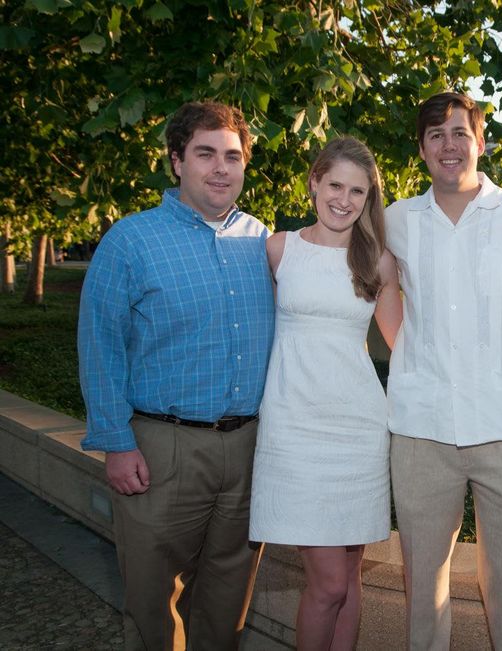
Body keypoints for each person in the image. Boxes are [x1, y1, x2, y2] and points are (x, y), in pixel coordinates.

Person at [78, 101, 275, 650]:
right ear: (176, 162)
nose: (220, 168)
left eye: (232, 156)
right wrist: (116, 444)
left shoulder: (263, 241)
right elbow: (99, 348)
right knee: (151, 597)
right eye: (205, 153)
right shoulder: (131, 240)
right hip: (161, 447)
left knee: (228, 590)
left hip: (248, 445)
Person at [384, 91, 502, 650]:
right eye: (436, 135)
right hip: (421, 427)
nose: (449, 145)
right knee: (423, 584)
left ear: (481, 141)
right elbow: (382, 287)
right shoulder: (395, 219)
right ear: (421, 150)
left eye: (460, 132)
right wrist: (410, 352)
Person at [248, 138, 402, 650]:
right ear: (314, 181)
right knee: (328, 583)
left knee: (349, 578)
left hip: (358, 428)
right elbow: (254, 334)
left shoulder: (377, 262)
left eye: (357, 190)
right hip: (294, 428)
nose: (344, 199)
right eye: (335, 184)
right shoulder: (277, 249)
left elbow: (403, 346)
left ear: (368, 198)